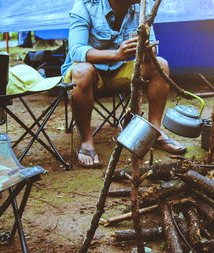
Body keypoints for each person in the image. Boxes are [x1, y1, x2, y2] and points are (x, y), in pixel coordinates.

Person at [61, 0, 186, 168]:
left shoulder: (142, 6)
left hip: (118, 71)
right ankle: (86, 141)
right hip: (87, 73)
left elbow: (154, 47)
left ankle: (153, 133)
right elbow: (76, 50)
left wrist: (147, 50)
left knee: (160, 64)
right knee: (83, 71)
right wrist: (117, 54)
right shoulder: (86, 5)